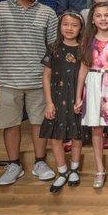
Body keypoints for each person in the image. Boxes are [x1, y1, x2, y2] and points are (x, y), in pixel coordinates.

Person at [0, 0, 58, 185]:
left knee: (40, 123)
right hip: (7, 80)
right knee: (10, 124)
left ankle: (40, 162)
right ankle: (14, 164)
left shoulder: (48, 13)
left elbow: (53, 49)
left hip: (39, 80)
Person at [74, 2, 108, 188]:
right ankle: (99, 170)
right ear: (93, 19)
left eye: (107, 15)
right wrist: (78, 96)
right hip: (94, 85)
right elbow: (83, 69)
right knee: (96, 129)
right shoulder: (87, 41)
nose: (103, 19)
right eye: (99, 15)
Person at [39, 12, 84, 193]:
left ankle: (74, 169)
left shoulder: (83, 49)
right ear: (60, 26)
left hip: (76, 97)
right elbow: (46, 76)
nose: (70, 28)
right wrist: (48, 102)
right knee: (55, 136)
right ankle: (62, 171)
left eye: (74, 25)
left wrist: (80, 98)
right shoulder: (53, 48)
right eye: (66, 24)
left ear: (80, 28)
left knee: (76, 134)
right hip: (56, 98)